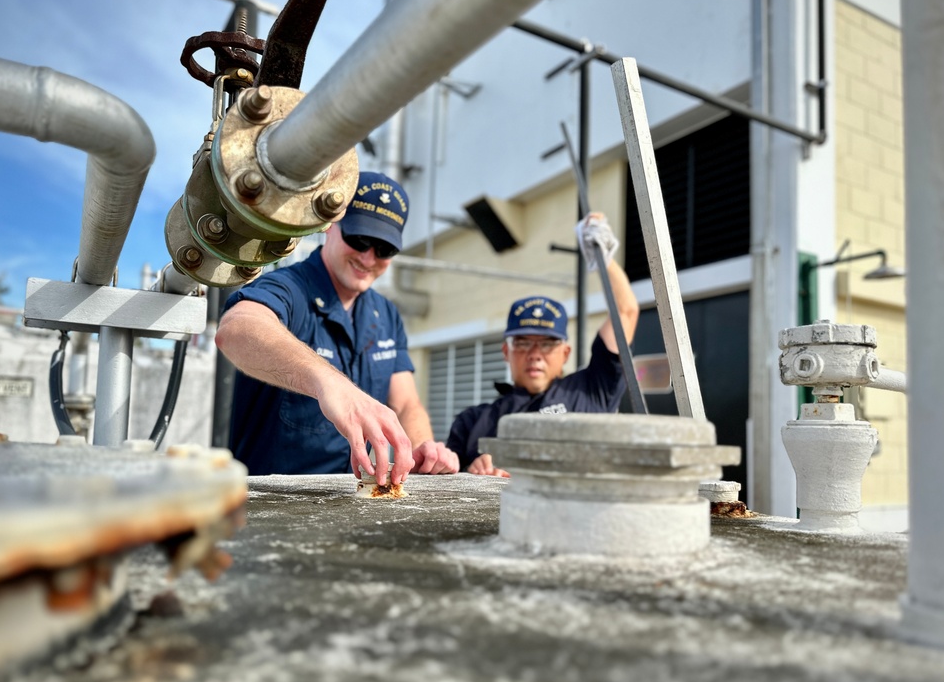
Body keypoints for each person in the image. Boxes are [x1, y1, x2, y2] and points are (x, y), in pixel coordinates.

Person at [215, 171, 459, 485]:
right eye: (359, 239)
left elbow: (407, 402)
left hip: (351, 507)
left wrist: (422, 444)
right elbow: (237, 328)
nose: (368, 257)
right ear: (330, 224)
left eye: (383, 249)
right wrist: (329, 383)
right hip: (273, 510)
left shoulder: (386, 314)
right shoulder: (289, 288)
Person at [446, 212, 639, 477]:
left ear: (565, 353)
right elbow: (445, 486)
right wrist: (474, 472)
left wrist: (603, 259)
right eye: (523, 343)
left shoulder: (591, 390)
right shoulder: (471, 422)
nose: (535, 354)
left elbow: (625, 312)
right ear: (506, 351)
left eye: (548, 344)